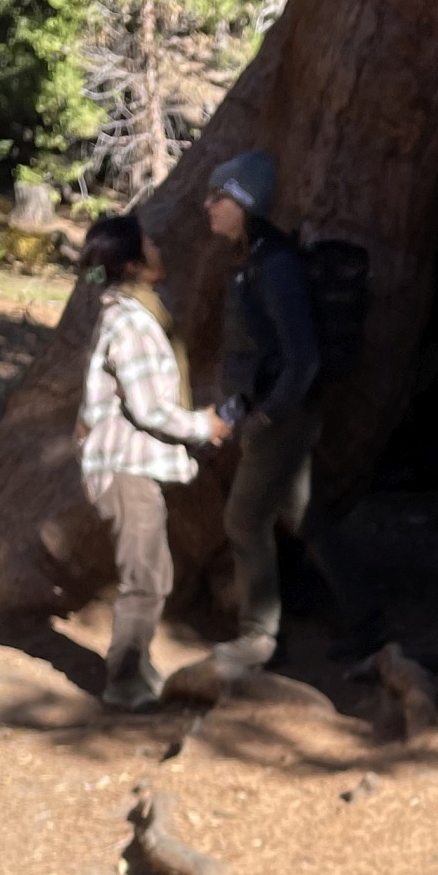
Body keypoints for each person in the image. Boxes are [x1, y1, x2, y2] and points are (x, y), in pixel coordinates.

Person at [203, 152, 382, 666]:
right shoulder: (254, 256)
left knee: (242, 522)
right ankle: (367, 623)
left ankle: (260, 638)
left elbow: (302, 358)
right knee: (305, 517)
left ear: (244, 201)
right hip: (273, 415)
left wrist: (262, 419)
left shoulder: (275, 264)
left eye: (219, 196)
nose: (208, 205)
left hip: (282, 419)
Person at [77, 212, 233, 710]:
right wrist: (201, 426)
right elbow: (147, 407)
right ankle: (124, 682)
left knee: (154, 573)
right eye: (149, 243)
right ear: (135, 262)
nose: (158, 248)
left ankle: (139, 668)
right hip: (125, 468)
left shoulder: (132, 312)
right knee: (144, 578)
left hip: (129, 466)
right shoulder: (132, 321)